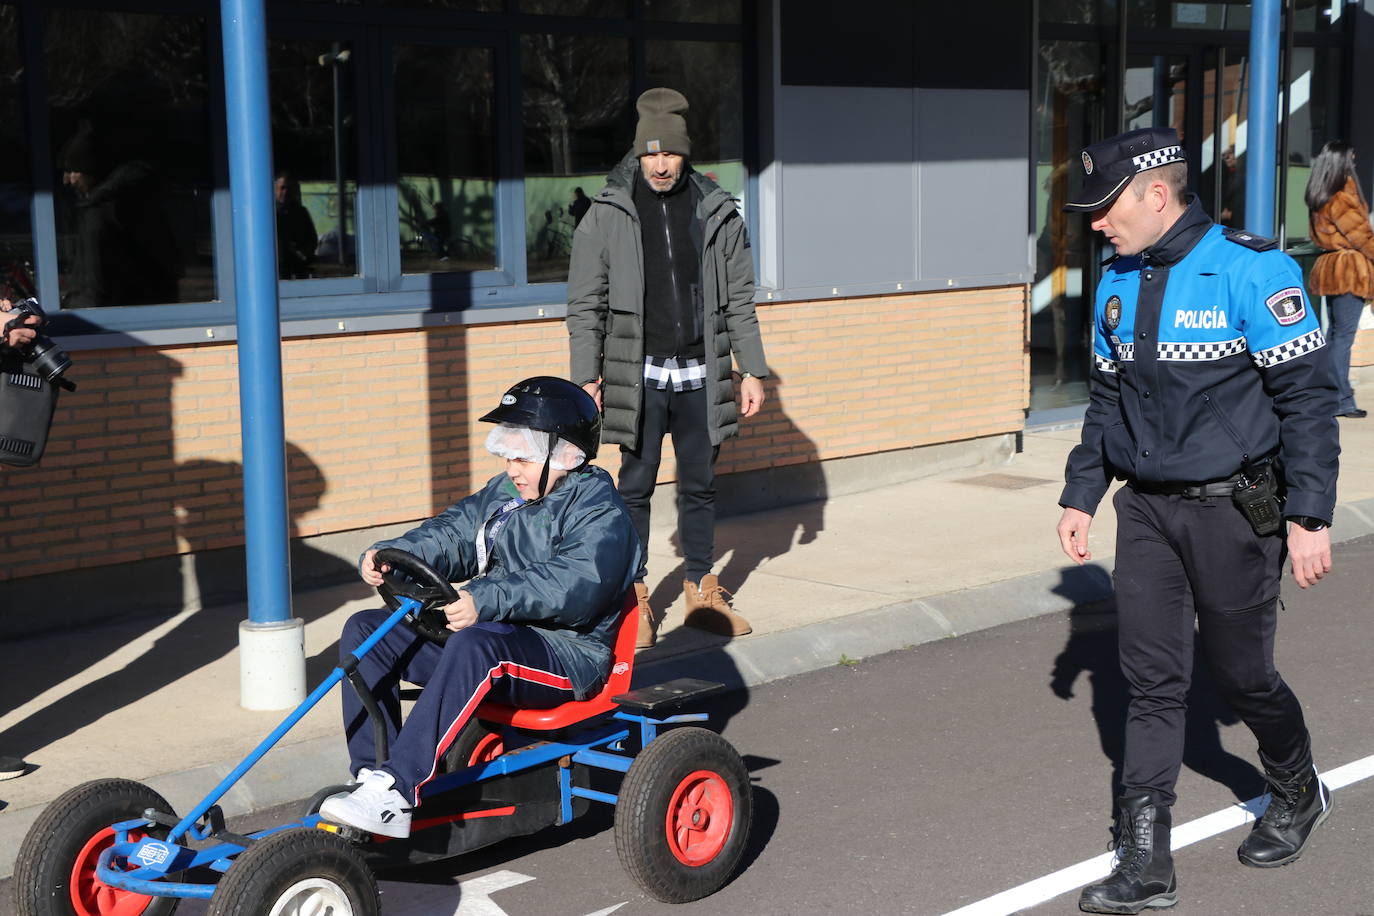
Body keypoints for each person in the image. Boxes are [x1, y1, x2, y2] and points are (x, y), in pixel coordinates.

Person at [1054, 127, 1339, 915]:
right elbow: (1106, 401)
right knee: (1150, 683)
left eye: (1105, 208)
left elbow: (1308, 404)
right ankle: (1145, 860)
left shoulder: (1253, 271)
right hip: (1145, 511)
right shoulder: (1116, 281)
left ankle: (1297, 788)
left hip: (1235, 514)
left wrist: (1309, 513)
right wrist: (1083, 491)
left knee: (1242, 676)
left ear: (1155, 194)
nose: (1096, 223)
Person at [319, 377, 641, 839]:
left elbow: (577, 584)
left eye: (524, 457)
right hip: (496, 640)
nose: (513, 468)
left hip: (567, 655)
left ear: (566, 454)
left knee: (477, 644)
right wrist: (389, 554)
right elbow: (451, 533)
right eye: (508, 456)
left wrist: (485, 599)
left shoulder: (600, 511)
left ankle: (397, 790)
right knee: (368, 630)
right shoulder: (505, 494)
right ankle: (373, 778)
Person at [567, 87, 769, 648]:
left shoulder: (715, 209)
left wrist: (751, 368)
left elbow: (739, 299)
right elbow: (585, 303)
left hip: (702, 373)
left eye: (671, 153)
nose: (660, 164)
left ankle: (701, 587)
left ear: (685, 153)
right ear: (639, 153)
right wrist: (587, 376)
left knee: (700, 484)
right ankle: (634, 599)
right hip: (638, 372)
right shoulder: (606, 214)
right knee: (634, 485)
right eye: (651, 153)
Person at [1305, 139, 1373, 419]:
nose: (1353, 162)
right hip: (1349, 269)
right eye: (1350, 158)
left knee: (1334, 335)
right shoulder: (1342, 192)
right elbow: (1360, 235)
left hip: (1333, 266)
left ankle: (1330, 396)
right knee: (1342, 337)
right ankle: (1340, 399)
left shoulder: (1321, 190)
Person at [274, 171, 318, 279]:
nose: (285, 192)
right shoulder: (268, 214)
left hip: (298, 269)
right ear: (275, 189)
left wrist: (304, 253)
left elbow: (312, 239)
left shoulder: (301, 213)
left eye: (289, 188)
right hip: (276, 270)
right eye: (282, 188)